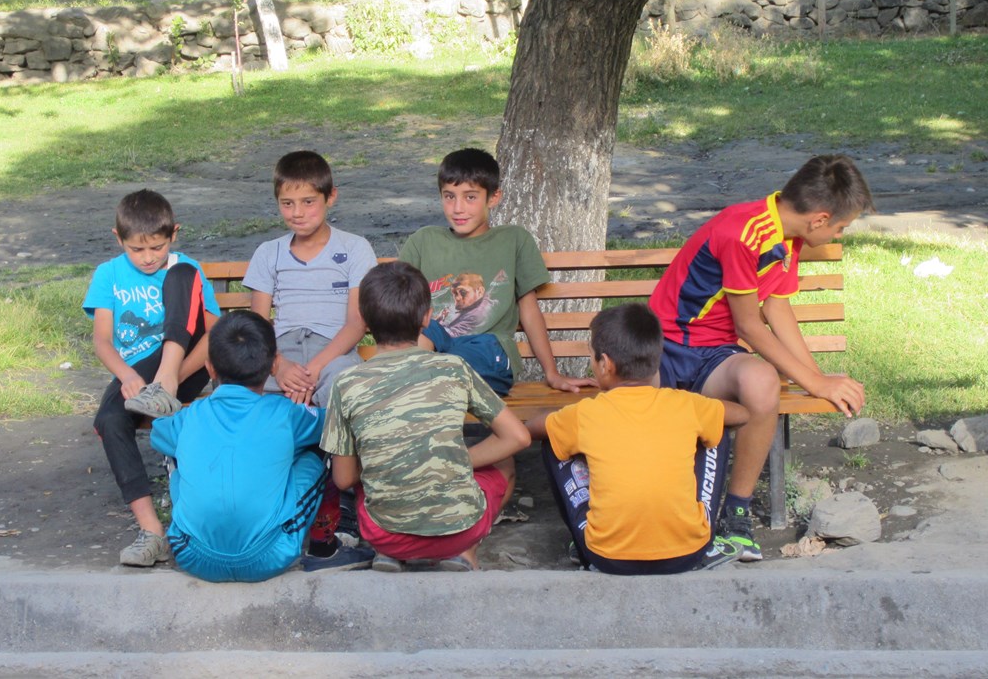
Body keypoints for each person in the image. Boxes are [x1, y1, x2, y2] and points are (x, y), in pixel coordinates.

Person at [649, 154, 875, 561]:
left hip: (713, 352)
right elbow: (751, 327)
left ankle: (735, 514)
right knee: (640, 417)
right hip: (662, 346)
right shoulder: (744, 233)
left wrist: (818, 376)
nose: (842, 232)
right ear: (820, 219)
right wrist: (815, 383)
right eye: (842, 226)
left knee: (762, 381)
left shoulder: (789, 236)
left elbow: (777, 309)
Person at [321, 261, 531, 572]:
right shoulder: (454, 368)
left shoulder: (347, 383)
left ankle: (391, 554)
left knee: (367, 472)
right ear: (428, 318)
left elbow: (344, 478)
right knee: (505, 463)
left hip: (384, 535)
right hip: (459, 532)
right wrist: (452, 459)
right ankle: (466, 553)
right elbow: (519, 436)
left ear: (364, 322)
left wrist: (392, 458)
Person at [527, 303, 749, 574]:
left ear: (605, 364)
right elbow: (742, 414)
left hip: (606, 557)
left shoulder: (585, 413)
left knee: (553, 438)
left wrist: (557, 418)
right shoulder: (687, 404)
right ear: (656, 361)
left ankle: (583, 539)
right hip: (688, 554)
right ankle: (704, 531)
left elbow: (532, 428)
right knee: (716, 427)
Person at [243, 149, 377, 572]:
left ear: (331, 197)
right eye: (287, 203)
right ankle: (261, 507)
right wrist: (278, 366)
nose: (297, 213)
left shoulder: (355, 248)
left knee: (345, 391)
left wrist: (315, 368)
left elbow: (357, 323)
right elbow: (257, 324)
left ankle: (351, 508)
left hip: (332, 350)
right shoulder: (269, 253)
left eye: (308, 202)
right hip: (280, 352)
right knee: (247, 401)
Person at [83, 189, 220, 567]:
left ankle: (166, 386)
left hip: (183, 367)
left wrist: (170, 376)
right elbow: (103, 342)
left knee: (181, 273)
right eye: (137, 250)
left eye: (156, 248)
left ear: (173, 233)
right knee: (108, 419)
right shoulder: (109, 274)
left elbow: (214, 335)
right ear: (118, 239)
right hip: (140, 376)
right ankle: (152, 533)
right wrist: (127, 376)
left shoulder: (185, 269)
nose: (147, 258)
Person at [398, 147, 595, 397]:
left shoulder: (514, 240)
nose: (458, 208)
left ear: (493, 197)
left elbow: (529, 310)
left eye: (470, 197)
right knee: (428, 327)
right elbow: (398, 303)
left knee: (439, 359)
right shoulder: (423, 241)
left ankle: (416, 380)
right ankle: (419, 381)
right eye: (449, 196)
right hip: (435, 349)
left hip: (489, 352)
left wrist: (552, 373)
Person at [150, 310, 330, 582]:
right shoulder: (285, 413)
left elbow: (158, 433)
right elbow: (331, 423)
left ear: (209, 366)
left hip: (191, 554)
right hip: (270, 555)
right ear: (274, 365)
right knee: (319, 446)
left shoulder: (191, 416)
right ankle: (325, 539)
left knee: (174, 452)